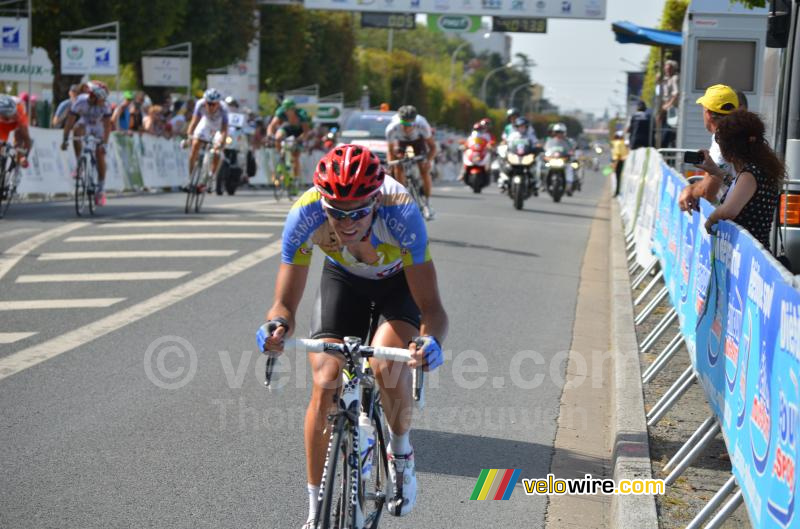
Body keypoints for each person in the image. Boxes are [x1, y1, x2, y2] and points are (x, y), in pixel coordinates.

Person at [257, 144, 448, 529]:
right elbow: (284, 305)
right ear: (322, 201)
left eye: (359, 212)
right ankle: (315, 509)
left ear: (375, 201)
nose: (347, 222)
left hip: (398, 284)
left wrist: (431, 342)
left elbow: (432, 310)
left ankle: (401, 453)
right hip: (343, 280)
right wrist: (276, 327)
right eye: (336, 211)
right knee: (325, 379)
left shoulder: (401, 212)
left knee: (385, 363)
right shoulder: (305, 213)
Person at [704, 110, 785, 250]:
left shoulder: (750, 174)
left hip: (747, 254)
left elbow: (729, 210)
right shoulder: (758, 169)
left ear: (730, 147)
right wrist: (716, 171)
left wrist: (710, 220)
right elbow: (741, 190)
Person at [678, 84, 740, 212]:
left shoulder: (722, 138)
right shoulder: (744, 133)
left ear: (708, 114)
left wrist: (690, 190)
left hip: (734, 217)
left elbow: (708, 190)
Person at [61, 82, 112, 206]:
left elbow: (107, 126)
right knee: (77, 130)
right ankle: (80, 163)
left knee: (100, 153)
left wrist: (104, 143)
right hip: (86, 124)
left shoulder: (106, 105)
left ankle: (100, 189)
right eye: (100, 99)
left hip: (99, 127)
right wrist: (65, 139)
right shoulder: (80, 101)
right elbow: (70, 121)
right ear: (93, 97)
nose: (102, 102)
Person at [384, 105, 437, 219]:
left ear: (415, 121)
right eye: (404, 123)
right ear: (400, 120)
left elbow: (432, 147)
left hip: (418, 141)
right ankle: (401, 198)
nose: (407, 128)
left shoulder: (422, 124)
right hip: (400, 142)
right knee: (398, 165)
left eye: (410, 124)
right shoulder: (392, 127)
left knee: (424, 169)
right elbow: (390, 150)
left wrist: (428, 160)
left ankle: (427, 204)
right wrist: (391, 164)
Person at [185, 88, 228, 191]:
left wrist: (221, 141)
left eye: (214, 104)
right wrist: (189, 136)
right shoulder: (200, 104)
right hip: (206, 124)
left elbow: (224, 129)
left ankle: (212, 177)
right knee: (195, 145)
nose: (211, 106)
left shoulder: (223, 108)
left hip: (218, 127)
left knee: (217, 152)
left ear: (218, 103)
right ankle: (190, 178)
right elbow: (194, 121)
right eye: (208, 103)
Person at [267, 98, 311, 186]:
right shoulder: (281, 112)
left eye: (289, 110)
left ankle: (295, 179)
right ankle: (282, 154)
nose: (287, 112)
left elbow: (306, 131)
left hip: (298, 132)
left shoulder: (301, 115)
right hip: (287, 128)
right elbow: (272, 125)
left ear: (293, 109)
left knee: (295, 157)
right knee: (278, 137)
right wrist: (269, 134)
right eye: (285, 109)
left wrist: (299, 139)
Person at [544, 122, 577, 195]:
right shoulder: (550, 141)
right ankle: (542, 183)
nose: (559, 134)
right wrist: (546, 154)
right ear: (554, 133)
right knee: (544, 167)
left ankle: (569, 185)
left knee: (569, 168)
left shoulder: (567, 141)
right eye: (557, 132)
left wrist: (571, 153)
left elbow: (571, 149)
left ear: (564, 133)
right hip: (553, 159)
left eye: (561, 132)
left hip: (563, 160)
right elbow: (546, 149)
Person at [0, 94, 31, 169]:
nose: (7, 119)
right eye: (5, 117)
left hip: (15, 122)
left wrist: (24, 156)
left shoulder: (19, 115)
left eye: (8, 117)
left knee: (20, 137)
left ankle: (18, 160)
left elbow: (26, 139)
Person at [659, 59, 680, 148]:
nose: (667, 70)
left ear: (673, 69)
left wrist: (667, 106)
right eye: (666, 68)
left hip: (672, 110)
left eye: (669, 68)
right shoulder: (665, 79)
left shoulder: (675, 78)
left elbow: (676, 93)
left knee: (667, 135)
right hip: (666, 110)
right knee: (665, 134)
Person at [611, 130, 628, 197]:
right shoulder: (622, 143)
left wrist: (615, 164)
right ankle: (617, 191)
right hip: (622, 161)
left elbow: (618, 154)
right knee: (619, 178)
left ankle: (617, 192)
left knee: (617, 178)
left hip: (618, 161)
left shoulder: (617, 143)